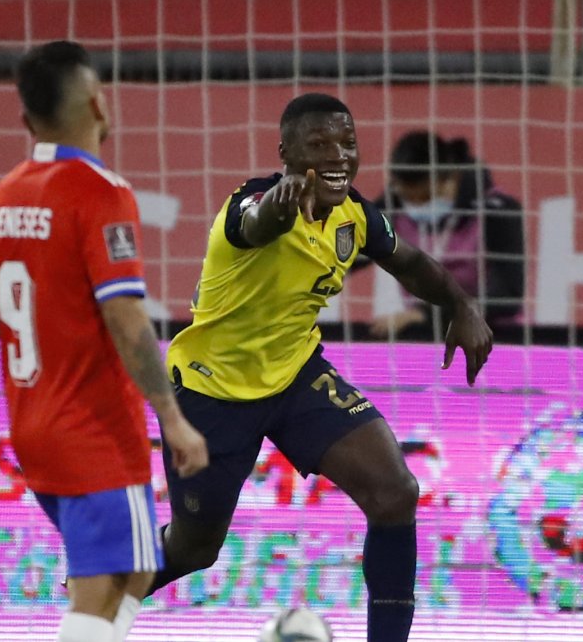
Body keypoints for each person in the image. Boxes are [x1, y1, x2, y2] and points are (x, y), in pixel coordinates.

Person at [148, 94, 493, 642]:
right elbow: (257, 224)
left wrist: (461, 304)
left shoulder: (355, 214)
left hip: (295, 377)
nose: (338, 156)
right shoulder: (249, 204)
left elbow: (409, 262)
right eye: (319, 144)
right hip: (213, 390)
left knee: (395, 492)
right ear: (286, 153)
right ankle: (93, 596)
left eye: (347, 143)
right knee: (194, 549)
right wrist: (279, 207)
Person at [0, 40, 208, 642]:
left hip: (32, 420)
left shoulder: (6, 194)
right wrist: (173, 419)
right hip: (93, 427)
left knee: (137, 568)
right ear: (96, 103)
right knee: (100, 589)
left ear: (27, 118)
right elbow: (127, 319)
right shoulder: (100, 191)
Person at [364, 130, 524, 338]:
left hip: (491, 337)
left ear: (451, 177)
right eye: (408, 199)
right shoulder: (393, 205)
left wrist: (426, 315)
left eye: (425, 197)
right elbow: (345, 255)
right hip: (422, 338)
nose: (415, 206)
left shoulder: (497, 210)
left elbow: (506, 298)